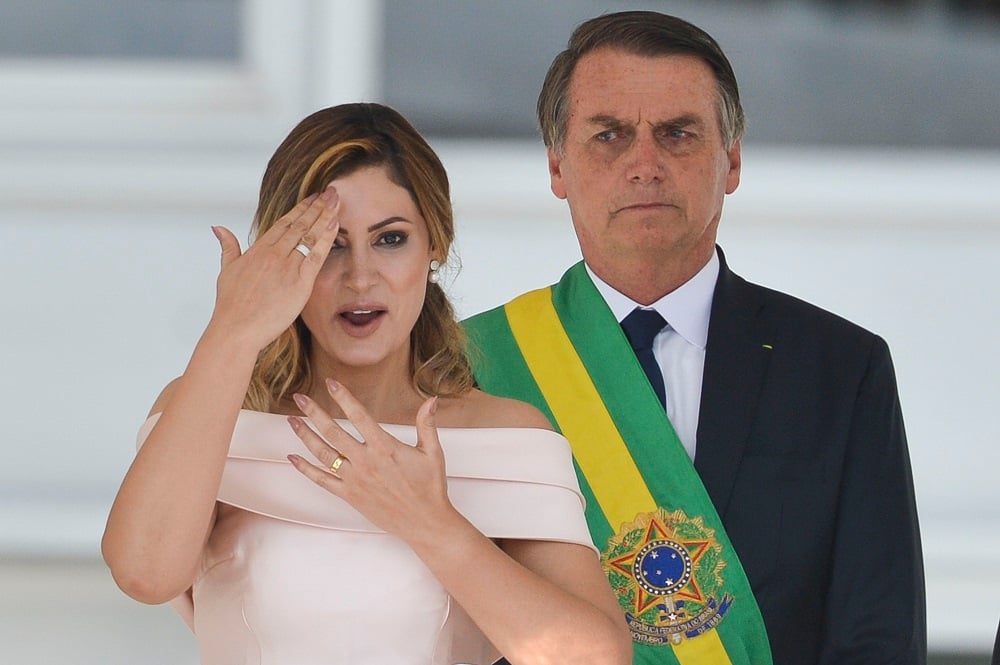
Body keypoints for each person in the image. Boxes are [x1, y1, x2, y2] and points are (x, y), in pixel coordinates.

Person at [464, 11, 925, 665]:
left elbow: (878, 638)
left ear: (731, 160)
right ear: (557, 165)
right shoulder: (471, 366)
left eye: (678, 134)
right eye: (610, 135)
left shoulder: (841, 368)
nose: (644, 163)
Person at [102, 102, 632, 665]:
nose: (359, 277)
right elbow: (144, 574)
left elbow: (594, 659)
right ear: (284, 256)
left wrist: (426, 520)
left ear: (435, 246)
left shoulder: (506, 436)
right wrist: (232, 331)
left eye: (390, 239)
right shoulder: (215, 416)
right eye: (329, 245)